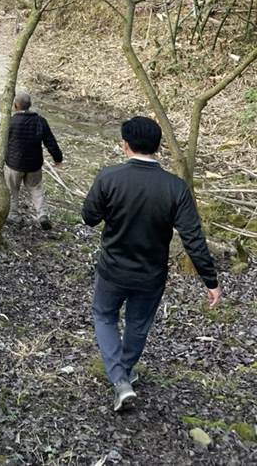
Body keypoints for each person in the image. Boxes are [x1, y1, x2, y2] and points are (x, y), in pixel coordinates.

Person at [82, 116, 221, 413]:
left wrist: (112, 208)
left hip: (112, 270)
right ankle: (126, 373)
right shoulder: (175, 187)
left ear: (126, 145)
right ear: (157, 147)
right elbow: (193, 238)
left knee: (104, 316)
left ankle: (120, 379)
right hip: (151, 274)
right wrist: (210, 281)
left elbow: (89, 217)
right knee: (138, 324)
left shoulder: (109, 177)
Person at [0, 91, 63, 229]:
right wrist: (58, 158)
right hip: (34, 165)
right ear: (29, 105)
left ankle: (14, 216)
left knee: (12, 190)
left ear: (15, 106)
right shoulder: (40, 121)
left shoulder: (10, 122)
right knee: (36, 189)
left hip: (14, 165)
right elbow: (50, 142)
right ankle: (42, 214)